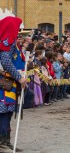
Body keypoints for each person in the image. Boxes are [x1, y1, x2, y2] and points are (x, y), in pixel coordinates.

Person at [0, 16, 28, 152]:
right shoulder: (7, 42)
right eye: (17, 27)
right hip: (5, 84)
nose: (18, 30)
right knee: (4, 111)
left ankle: (6, 141)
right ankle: (3, 143)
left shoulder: (10, 42)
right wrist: (19, 77)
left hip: (10, 83)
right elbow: (6, 62)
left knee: (7, 111)